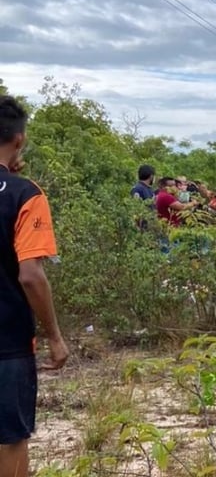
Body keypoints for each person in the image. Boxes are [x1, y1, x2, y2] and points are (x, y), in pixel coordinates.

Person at [0, 95, 70, 476]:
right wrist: (55, 335)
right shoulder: (24, 194)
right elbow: (30, 274)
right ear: (19, 140)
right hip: (7, 341)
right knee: (10, 439)